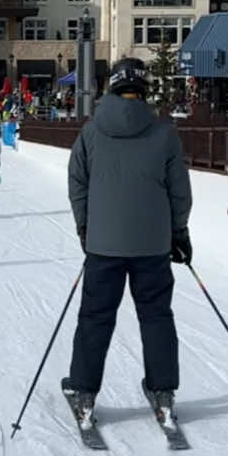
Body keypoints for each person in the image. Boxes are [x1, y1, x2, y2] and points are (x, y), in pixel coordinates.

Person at [62, 56, 192, 431]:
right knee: (156, 316)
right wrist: (178, 233)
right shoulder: (164, 133)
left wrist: (85, 227)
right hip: (152, 245)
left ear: (112, 88)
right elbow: (179, 191)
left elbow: (77, 184)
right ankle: (163, 391)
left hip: (104, 245)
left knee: (95, 317)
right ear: (143, 90)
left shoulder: (90, 132)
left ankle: (84, 393)